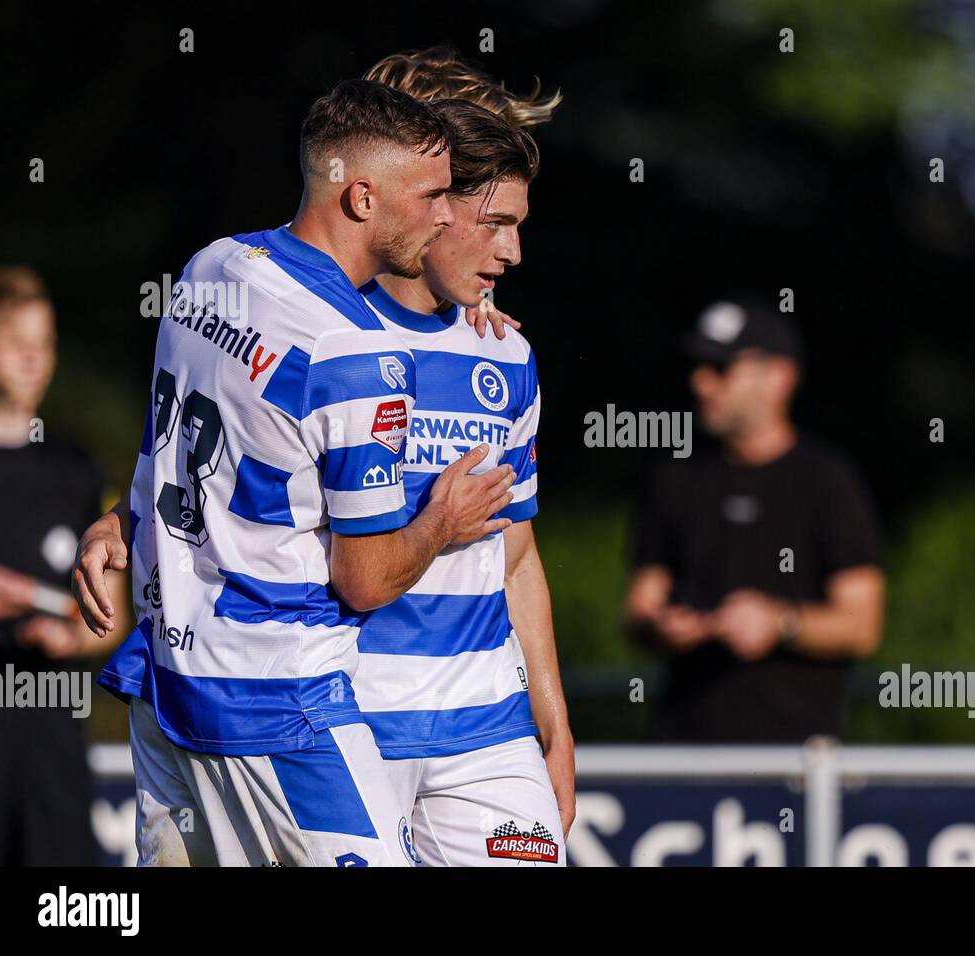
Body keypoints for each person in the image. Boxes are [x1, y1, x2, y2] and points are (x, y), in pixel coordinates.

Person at [71, 79, 515, 866]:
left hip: (168, 678)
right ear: (363, 197)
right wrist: (443, 520)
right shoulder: (357, 355)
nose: (451, 216)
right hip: (280, 700)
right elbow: (366, 580)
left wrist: (123, 519)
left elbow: (171, 441)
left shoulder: (212, 265)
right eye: (435, 196)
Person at [355, 48, 574, 866]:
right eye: (500, 224)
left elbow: (514, 554)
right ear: (435, 208)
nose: (513, 253)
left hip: (484, 726)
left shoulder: (507, 358)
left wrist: (551, 721)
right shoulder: (318, 331)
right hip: (345, 721)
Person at [626, 299, 886, 742]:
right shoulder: (675, 478)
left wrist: (781, 623)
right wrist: (664, 627)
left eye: (721, 369)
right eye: (698, 367)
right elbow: (637, 610)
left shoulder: (827, 482)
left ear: (779, 378)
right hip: (681, 749)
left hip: (797, 758)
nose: (702, 383)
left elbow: (863, 626)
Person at [0, 270, 129, 865]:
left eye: (43, 342)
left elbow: (111, 617)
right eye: (14, 338)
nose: (32, 357)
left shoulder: (75, 471)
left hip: (54, 754)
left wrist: (72, 632)